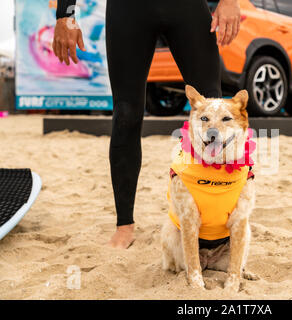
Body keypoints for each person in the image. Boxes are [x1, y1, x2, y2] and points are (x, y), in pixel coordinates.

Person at [53, 0, 241, 248]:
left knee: (212, 108)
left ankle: (216, 224)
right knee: (126, 113)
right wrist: (65, 15)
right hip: (129, 8)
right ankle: (124, 225)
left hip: (186, 7)